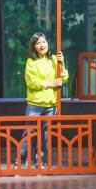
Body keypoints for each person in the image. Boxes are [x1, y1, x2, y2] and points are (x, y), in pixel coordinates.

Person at [20, 33, 68, 169]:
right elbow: (32, 83)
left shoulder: (54, 59)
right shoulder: (31, 61)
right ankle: (21, 162)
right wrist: (50, 84)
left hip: (51, 104)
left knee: (45, 137)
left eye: (44, 42)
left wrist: (62, 64)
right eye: (38, 43)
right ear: (34, 46)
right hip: (35, 104)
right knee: (29, 134)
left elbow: (64, 78)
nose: (42, 45)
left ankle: (41, 162)